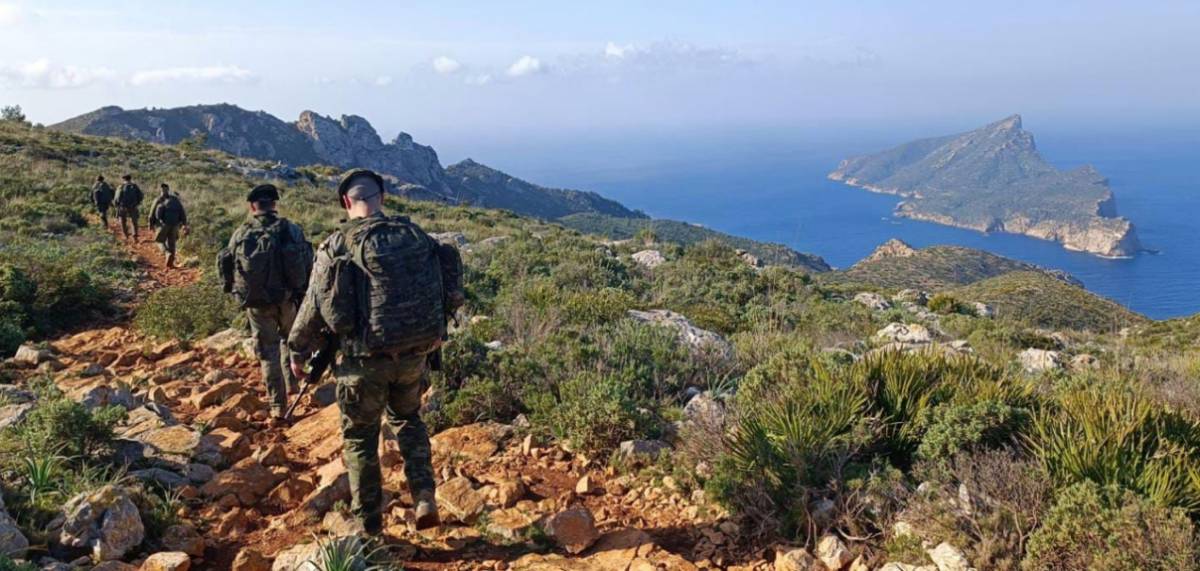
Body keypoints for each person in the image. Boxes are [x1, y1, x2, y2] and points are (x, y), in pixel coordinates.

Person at [288, 169, 464, 535]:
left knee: (360, 437)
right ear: (382, 198)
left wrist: (297, 351)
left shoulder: (337, 244)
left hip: (363, 363)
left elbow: (314, 305)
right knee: (409, 420)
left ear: (346, 202)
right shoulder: (417, 237)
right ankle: (424, 497)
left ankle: (370, 527)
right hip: (415, 355)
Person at [218, 184, 313, 419]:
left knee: (268, 352)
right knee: (292, 342)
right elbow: (307, 261)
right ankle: (295, 384)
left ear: (252, 207)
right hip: (287, 298)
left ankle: (278, 406)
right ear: (274, 205)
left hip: (257, 303)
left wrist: (233, 290)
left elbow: (226, 262)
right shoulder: (290, 229)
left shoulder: (241, 233)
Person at [148, 183, 189, 268]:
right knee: (172, 243)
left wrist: (151, 224)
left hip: (162, 225)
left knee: (159, 241)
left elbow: (152, 214)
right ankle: (171, 263)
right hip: (175, 225)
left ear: (161, 190)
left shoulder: (158, 200)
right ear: (168, 190)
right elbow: (182, 212)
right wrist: (184, 224)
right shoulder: (175, 200)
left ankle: (167, 253)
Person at [114, 174, 144, 241]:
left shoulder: (121, 186)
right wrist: (137, 203)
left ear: (124, 179)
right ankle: (135, 236)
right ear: (130, 179)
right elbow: (141, 196)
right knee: (134, 222)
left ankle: (125, 235)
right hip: (133, 206)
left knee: (123, 221)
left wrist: (117, 205)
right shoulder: (135, 186)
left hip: (123, 207)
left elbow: (117, 197)